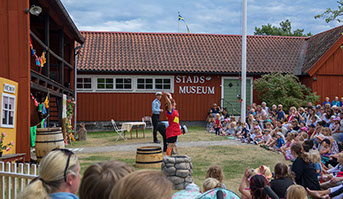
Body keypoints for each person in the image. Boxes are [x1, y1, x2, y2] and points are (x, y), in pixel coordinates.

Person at [163, 92, 182, 156]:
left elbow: (171, 101)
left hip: (175, 130)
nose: (176, 104)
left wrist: (170, 95)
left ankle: (169, 156)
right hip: (172, 130)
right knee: (170, 145)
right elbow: (169, 103)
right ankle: (168, 157)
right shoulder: (170, 111)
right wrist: (165, 96)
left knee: (173, 144)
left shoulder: (174, 110)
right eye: (174, 103)